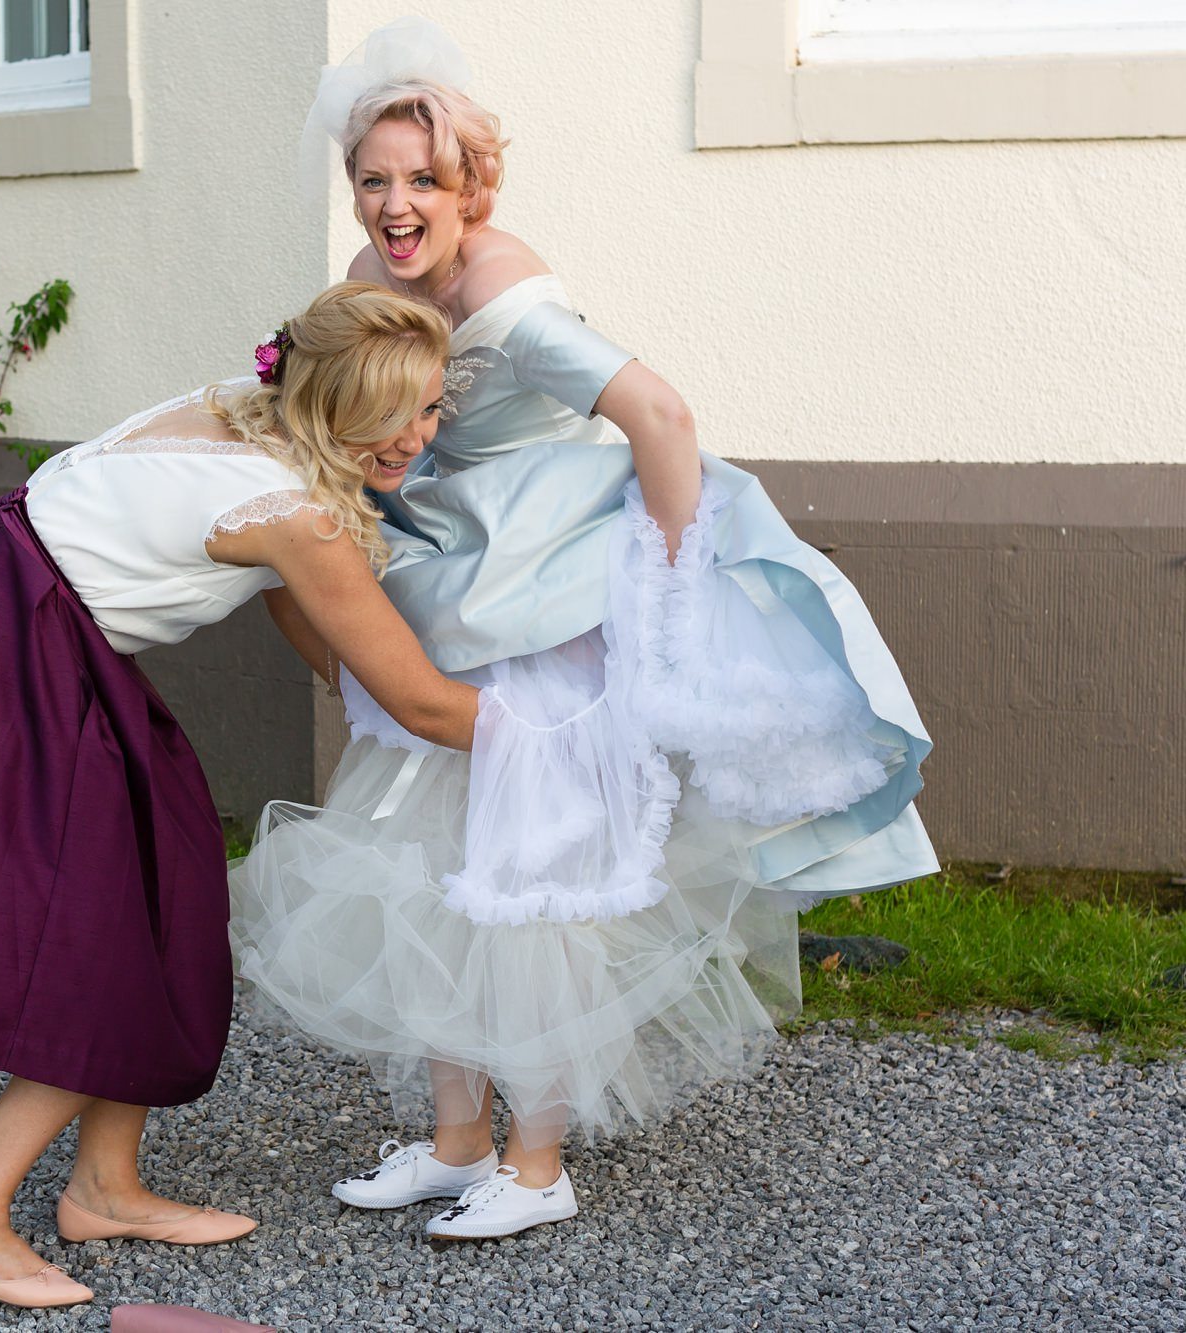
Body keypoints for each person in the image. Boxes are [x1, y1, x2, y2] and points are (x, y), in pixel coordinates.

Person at [230, 18, 937, 1243]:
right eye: (373, 179)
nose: (395, 205)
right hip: (443, 598)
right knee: (422, 867)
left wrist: (660, 623)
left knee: (529, 881)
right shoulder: (368, 277)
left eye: (420, 180)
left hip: (541, 602)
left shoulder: (501, 288)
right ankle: (456, 1143)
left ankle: (537, 1159)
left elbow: (658, 416)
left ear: (471, 185)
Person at [0, 282, 489, 1308]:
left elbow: (298, 600)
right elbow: (421, 698)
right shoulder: (292, 512)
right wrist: (579, 742)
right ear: (330, 405)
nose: (412, 437)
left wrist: (342, 680)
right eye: (389, 415)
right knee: (104, 936)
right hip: (9, 650)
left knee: (174, 881)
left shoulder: (262, 408)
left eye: (426, 407)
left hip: (10, 607)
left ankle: (105, 1184)